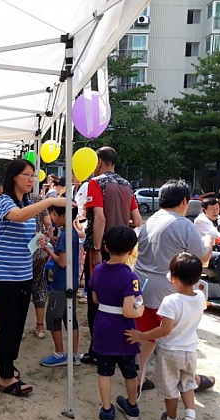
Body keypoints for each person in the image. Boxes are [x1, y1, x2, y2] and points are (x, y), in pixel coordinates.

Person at [0, 159, 66, 396]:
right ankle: (4, 379)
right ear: (14, 176)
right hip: (5, 274)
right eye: (28, 175)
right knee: (8, 325)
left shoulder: (24, 202)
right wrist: (51, 200)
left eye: (33, 175)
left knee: (18, 323)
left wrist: (36, 242)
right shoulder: (4, 201)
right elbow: (19, 217)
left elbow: (21, 235)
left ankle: (9, 367)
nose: (32, 179)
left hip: (23, 271)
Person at [133, 179, 214, 393]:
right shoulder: (183, 224)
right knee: (178, 340)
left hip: (142, 287)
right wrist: (209, 242)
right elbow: (202, 257)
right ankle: (191, 379)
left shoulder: (150, 221)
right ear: (184, 201)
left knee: (148, 337)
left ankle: (137, 379)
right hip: (167, 292)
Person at [126, 252, 207, 420]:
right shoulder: (200, 296)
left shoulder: (170, 301)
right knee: (187, 383)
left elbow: (165, 329)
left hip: (170, 351)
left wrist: (142, 335)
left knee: (170, 388)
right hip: (190, 350)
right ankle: (190, 415)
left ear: (175, 278)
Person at [81, 146, 142, 365]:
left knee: (96, 301)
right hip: (122, 251)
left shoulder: (95, 184)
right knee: (120, 300)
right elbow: (137, 220)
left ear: (98, 162)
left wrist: (97, 249)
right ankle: (119, 349)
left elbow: (99, 218)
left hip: (101, 249)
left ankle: (97, 351)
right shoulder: (127, 185)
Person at [88, 226, 144, 420]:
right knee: (130, 372)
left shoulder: (99, 269)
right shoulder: (131, 277)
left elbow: (94, 298)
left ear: (106, 247)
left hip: (103, 326)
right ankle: (131, 406)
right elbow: (130, 311)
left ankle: (106, 410)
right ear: (131, 251)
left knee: (104, 372)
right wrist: (141, 310)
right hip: (125, 331)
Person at [39, 204, 80, 367]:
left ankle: (60, 353)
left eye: (54, 214)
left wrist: (47, 249)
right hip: (71, 283)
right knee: (71, 319)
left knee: (54, 318)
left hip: (61, 284)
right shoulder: (70, 233)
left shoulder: (66, 235)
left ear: (65, 216)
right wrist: (54, 244)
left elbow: (62, 262)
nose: (52, 218)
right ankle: (74, 354)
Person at [29, 191, 53, 339]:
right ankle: (40, 326)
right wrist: (47, 240)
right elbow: (48, 224)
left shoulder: (13, 201)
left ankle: (18, 326)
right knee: (39, 287)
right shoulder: (38, 199)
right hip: (38, 250)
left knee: (20, 291)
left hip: (20, 255)